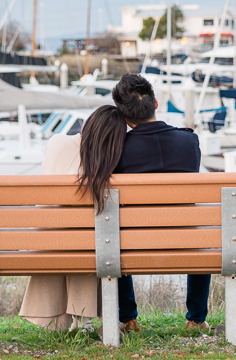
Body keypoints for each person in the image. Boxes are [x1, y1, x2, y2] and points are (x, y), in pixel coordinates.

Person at [108, 73, 213, 333]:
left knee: (112, 237)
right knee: (201, 237)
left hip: (133, 242)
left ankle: (128, 319)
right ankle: (196, 320)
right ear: (155, 104)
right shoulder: (189, 142)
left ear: (124, 116)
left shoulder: (119, 148)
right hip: (186, 239)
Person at [19, 114, 103, 330]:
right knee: (88, 239)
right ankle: (83, 318)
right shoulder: (99, 164)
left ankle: (64, 320)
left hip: (43, 241)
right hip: (80, 244)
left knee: (76, 236)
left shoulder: (56, 141)